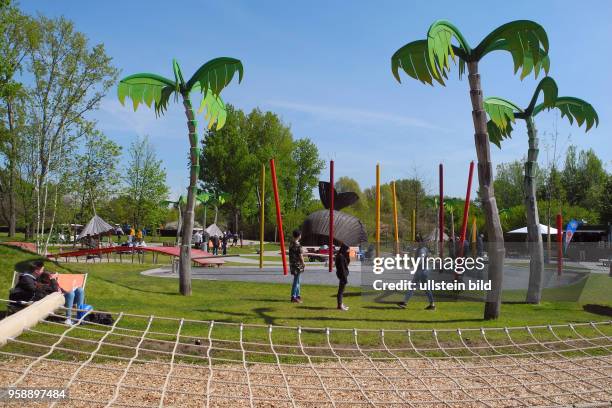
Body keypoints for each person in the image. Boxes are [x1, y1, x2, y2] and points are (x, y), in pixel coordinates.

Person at [10, 261, 86, 325]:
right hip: (54, 300)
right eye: (42, 270)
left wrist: (59, 288)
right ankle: (68, 319)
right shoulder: (32, 279)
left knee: (79, 290)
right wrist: (53, 280)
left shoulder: (37, 279)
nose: (43, 271)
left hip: (61, 296)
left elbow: (56, 289)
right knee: (71, 294)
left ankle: (80, 317)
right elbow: (47, 290)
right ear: (37, 271)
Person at [398, 236, 435, 310]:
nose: (415, 243)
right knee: (424, 288)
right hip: (422, 271)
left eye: (416, 241)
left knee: (414, 287)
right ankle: (432, 305)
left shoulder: (422, 249)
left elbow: (420, 259)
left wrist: (415, 265)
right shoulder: (421, 248)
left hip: (421, 271)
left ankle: (405, 303)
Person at [289, 229, 305, 303]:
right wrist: (303, 263)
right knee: (296, 280)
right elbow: (300, 255)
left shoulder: (291, 244)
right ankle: (293, 296)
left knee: (297, 280)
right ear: (299, 236)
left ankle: (297, 295)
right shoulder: (298, 246)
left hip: (292, 264)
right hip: (297, 265)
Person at [335, 243, 350, 311]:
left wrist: (347, 255)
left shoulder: (342, 255)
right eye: (347, 249)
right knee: (341, 291)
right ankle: (340, 305)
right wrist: (344, 278)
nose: (348, 251)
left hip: (342, 274)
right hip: (342, 275)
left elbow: (347, 263)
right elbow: (342, 268)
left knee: (341, 290)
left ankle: (340, 304)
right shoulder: (340, 257)